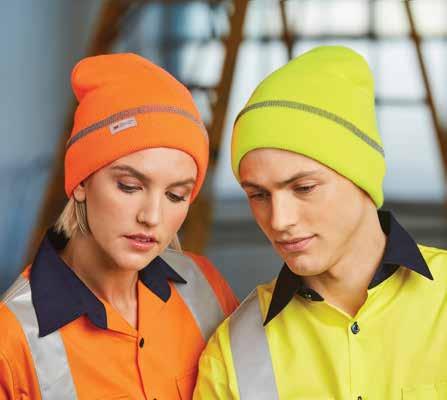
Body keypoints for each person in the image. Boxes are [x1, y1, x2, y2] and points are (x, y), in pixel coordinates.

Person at [193, 45, 447, 399]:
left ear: (361, 178)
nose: (279, 220)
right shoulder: (232, 352)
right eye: (259, 195)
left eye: (304, 188)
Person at [0, 53, 238, 400]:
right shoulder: (11, 340)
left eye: (175, 195)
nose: (152, 216)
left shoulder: (207, 287)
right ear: (81, 182)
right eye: (129, 186)